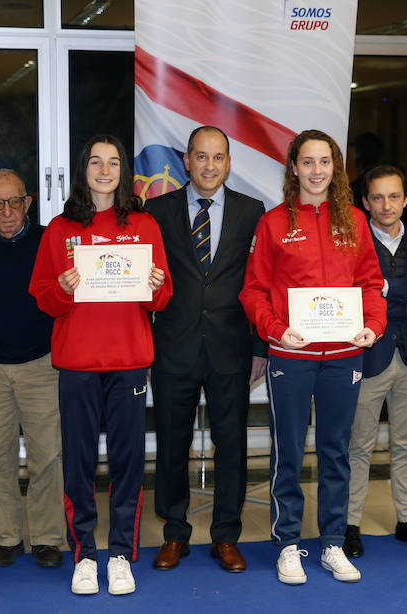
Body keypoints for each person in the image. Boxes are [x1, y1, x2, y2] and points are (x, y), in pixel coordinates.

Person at [239, 129, 386, 586]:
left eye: (325, 162)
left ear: (335, 169)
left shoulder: (356, 222)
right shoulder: (273, 222)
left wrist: (373, 328)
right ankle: (286, 545)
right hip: (292, 355)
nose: (317, 171)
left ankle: (333, 544)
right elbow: (254, 290)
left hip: (344, 355)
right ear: (294, 168)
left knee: (336, 452)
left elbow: (371, 284)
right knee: (288, 453)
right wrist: (276, 330)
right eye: (308, 162)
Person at [29, 135, 172, 596]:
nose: (105, 170)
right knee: (80, 462)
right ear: (83, 170)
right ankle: (85, 554)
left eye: (113, 163)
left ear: (123, 171)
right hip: (78, 363)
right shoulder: (59, 229)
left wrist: (152, 284)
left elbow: (162, 295)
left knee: (129, 462)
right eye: (96, 162)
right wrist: (65, 287)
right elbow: (44, 298)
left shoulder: (145, 225)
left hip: (129, 360)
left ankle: (120, 555)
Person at [145, 126, 266, 573]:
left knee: (230, 444)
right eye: (201, 157)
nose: (209, 165)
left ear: (228, 163)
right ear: (187, 161)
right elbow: (145, 280)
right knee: (172, 444)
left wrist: (260, 346)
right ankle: (175, 533)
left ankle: (226, 536)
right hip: (172, 347)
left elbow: (259, 283)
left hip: (231, 347)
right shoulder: (155, 211)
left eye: (218, 157)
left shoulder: (253, 211)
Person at [0, 169, 66, 568]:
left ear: (29, 203)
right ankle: (5, 538)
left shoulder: (48, 241)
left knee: (48, 456)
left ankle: (47, 538)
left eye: (15, 202)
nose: (7, 212)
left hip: (42, 363)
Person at [343, 165, 407, 559]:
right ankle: (349, 524)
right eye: (378, 197)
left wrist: (384, 286)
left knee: (406, 445)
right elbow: (355, 292)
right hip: (369, 354)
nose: (388, 205)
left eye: (395, 196)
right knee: (358, 446)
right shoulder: (351, 240)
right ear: (365, 202)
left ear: (405, 199)